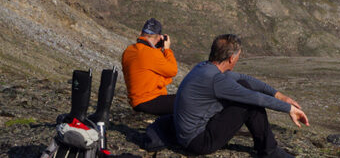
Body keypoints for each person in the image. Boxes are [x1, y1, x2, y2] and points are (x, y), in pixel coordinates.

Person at [174, 34, 309, 157]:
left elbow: (244, 78)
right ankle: (270, 151)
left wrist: (279, 96)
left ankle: (268, 148)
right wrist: (289, 109)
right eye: (238, 57)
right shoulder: (216, 80)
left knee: (244, 83)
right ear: (232, 58)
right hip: (198, 141)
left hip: (187, 134)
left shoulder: (205, 67)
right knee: (249, 103)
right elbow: (255, 97)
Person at [121, 18, 178, 115]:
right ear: (159, 37)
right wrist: (167, 50)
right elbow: (173, 70)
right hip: (149, 101)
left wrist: (158, 49)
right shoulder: (151, 54)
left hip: (136, 101)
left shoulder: (129, 50)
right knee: (188, 101)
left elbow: (147, 68)